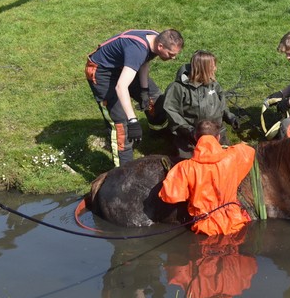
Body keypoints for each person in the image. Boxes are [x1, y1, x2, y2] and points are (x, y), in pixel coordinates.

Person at [85, 29, 184, 166]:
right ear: (161, 46)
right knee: (121, 124)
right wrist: (133, 120)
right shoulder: (138, 50)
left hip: (122, 67)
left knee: (155, 99)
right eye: (171, 54)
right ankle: (124, 170)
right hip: (102, 73)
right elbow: (121, 87)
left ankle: (157, 134)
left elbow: (144, 61)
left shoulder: (154, 39)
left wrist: (144, 91)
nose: (173, 58)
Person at [159, 120, 255, 236]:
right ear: (218, 137)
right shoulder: (233, 157)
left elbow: (168, 196)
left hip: (205, 227)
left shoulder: (185, 168)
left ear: (195, 137)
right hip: (235, 222)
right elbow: (249, 150)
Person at [162, 50, 241, 160]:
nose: (215, 69)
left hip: (216, 133)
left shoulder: (214, 85)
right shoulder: (178, 88)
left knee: (224, 161)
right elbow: (172, 111)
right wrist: (189, 130)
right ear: (203, 68)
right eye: (212, 66)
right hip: (190, 137)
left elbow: (221, 105)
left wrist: (230, 117)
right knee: (191, 165)